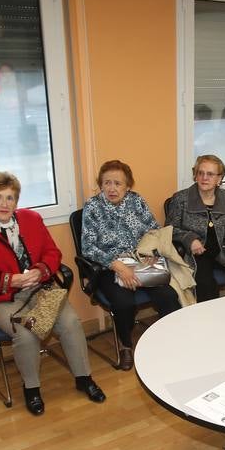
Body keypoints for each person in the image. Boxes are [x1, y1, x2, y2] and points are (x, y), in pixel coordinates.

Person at [0, 171, 105, 416]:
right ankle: (32, 389)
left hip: (41, 289)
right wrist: (11, 280)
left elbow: (52, 253)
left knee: (70, 322)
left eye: (10, 198)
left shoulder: (31, 219)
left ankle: (84, 378)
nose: (4, 204)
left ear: (16, 201)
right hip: (1, 299)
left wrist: (41, 270)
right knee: (26, 333)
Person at [80, 159, 182, 371]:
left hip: (140, 260)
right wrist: (116, 265)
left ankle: (171, 338)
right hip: (109, 267)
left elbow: (154, 229)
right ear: (100, 184)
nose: (112, 188)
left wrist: (151, 253)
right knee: (124, 302)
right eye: (107, 183)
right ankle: (126, 345)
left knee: (168, 295)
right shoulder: (92, 207)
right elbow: (88, 248)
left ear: (127, 186)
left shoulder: (136, 201)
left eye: (118, 183)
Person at [165, 153, 225, 301]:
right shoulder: (181, 199)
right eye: (200, 173)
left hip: (224, 248)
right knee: (205, 285)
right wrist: (190, 239)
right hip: (197, 254)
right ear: (195, 175)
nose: (204, 178)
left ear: (219, 179)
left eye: (210, 174)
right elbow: (170, 229)